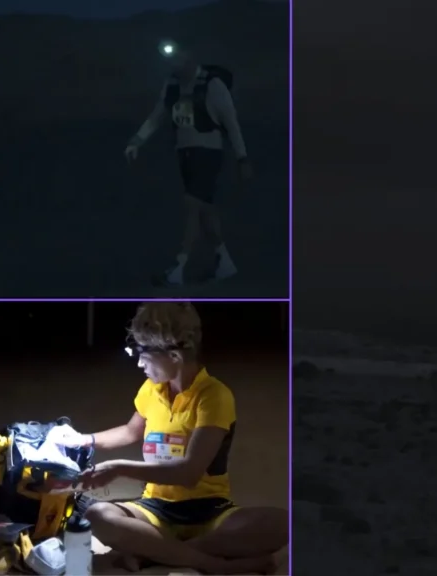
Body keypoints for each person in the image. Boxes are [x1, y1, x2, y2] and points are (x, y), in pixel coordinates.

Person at [70, 302, 286, 574]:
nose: (139, 363)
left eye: (143, 354)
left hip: (210, 510)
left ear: (173, 355)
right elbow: (129, 431)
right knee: (98, 515)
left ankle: (156, 553)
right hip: (155, 509)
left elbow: (189, 473)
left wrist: (117, 468)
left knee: (283, 524)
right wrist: (82, 439)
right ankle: (210, 562)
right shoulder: (151, 389)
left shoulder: (214, 396)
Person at [124, 42, 253, 286]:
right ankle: (223, 261)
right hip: (184, 154)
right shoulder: (171, 85)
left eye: (180, 58)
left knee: (192, 204)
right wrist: (137, 140)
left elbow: (231, 123)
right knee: (205, 210)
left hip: (209, 153)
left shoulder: (212, 85)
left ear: (191, 57)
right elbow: (157, 115)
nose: (175, 64)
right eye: (172, 60)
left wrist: (242, 157)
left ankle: (178, 266)